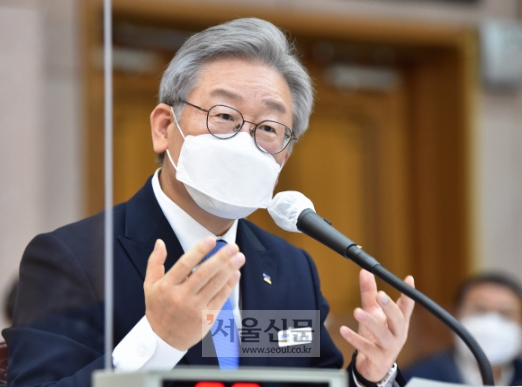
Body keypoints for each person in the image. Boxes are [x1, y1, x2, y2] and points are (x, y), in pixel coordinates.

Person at [2, 18, 415, 387]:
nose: (243, 141)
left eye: (269, 127)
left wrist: (368, 377)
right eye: (224, 116)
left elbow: (314, 382)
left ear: (285, 154)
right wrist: (158, 340)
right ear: (165, 127)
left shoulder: (290, 267)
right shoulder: (72, 256)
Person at [404, 272, 522, 385]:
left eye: (505, 313)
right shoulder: (417, 378)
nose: (491, 323)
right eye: (479, 310)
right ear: (456, 316)